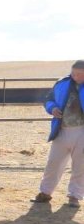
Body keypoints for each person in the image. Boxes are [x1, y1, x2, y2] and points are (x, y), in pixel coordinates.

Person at [32, 60, 84, 207]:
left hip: (82, 131)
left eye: (79, 74)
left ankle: (75, 196)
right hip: (61, 130)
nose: (75, 77)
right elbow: (49, 99)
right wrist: (52, 108)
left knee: (80, 166)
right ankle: (45, 193)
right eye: (74, 73)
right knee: (53, 163)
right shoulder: (61, 83)